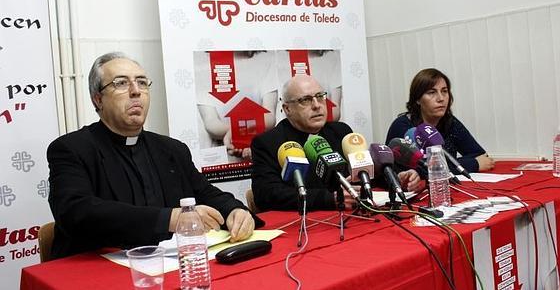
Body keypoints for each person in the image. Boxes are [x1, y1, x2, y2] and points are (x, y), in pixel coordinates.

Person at [47, 52, 261, 260]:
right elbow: (77, 213)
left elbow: (206, 193)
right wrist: (170, 219)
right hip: (99, 271)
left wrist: (235, 211)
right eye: (121, 83)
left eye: (142, 82)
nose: (135, 91)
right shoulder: (71, 149)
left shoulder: (171, 149)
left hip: (170, 264)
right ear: (98, 99)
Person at [251, 74, 423, 212]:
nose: (317, 105)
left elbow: (366, 173)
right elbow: (266, 194)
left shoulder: (341, 132)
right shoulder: (268, 143)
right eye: (306, 100)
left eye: (320, 97)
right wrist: (328, 199)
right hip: (308, 226)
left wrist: (393, 179)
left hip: (355, 217)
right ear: (287, 109)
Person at [385, 68, 495, 173]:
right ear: (418, 99)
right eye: (432, 92)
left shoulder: (449, 122)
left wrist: (450, 164)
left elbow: (480, 156)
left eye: (444, 91)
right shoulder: (403, 126)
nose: (441, 98)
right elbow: (420, 169)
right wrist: (472, 164)